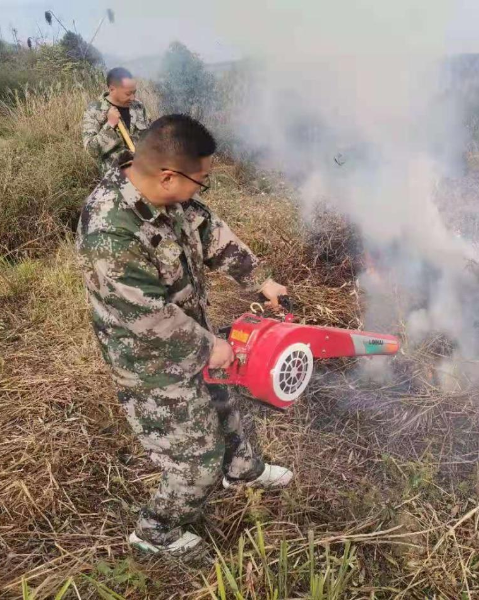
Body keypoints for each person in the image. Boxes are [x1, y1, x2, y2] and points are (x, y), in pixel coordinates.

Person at [76, 114, 293, 557]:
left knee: (223, 408)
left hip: (196, 337)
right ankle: (156, 532)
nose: (203, 187)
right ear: (170, 176)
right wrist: (208, 347)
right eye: (202, 180)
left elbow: (212, 235)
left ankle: (243, 470)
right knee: (195, 461)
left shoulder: (173, 200)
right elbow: (146, 315)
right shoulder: (109, 231)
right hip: (152, 364)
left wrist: (261, 280)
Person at [82, 67, 151, 174]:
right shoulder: (95, 110)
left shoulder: (138, 106)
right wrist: (110, 125)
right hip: (117, 179)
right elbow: (92, 150)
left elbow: (150, 136)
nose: (133, 98)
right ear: (112, 89)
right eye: (128, 94)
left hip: (144, 171)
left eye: (134, 92)